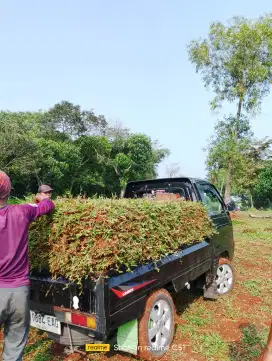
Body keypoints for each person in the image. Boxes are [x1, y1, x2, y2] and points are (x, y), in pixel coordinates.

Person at [0, 171, 54, 361]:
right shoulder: (22, 211)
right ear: (8, 192)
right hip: (18, 293)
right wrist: (43, 198)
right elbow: (47, 206)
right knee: (14, 349)